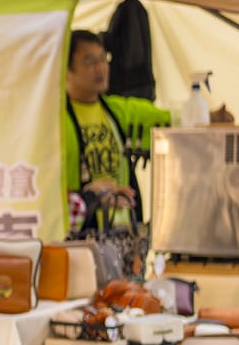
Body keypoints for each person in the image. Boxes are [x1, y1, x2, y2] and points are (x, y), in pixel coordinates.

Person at [62, 29, 170, 230]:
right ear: (66, 69)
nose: (100, 68)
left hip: (120, 235)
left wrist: (209, 116)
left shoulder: (117, 111)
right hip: (77, 234)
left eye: (103, 58)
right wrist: (90, 197)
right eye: (89, 61)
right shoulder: (56, 121)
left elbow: (169, 119)